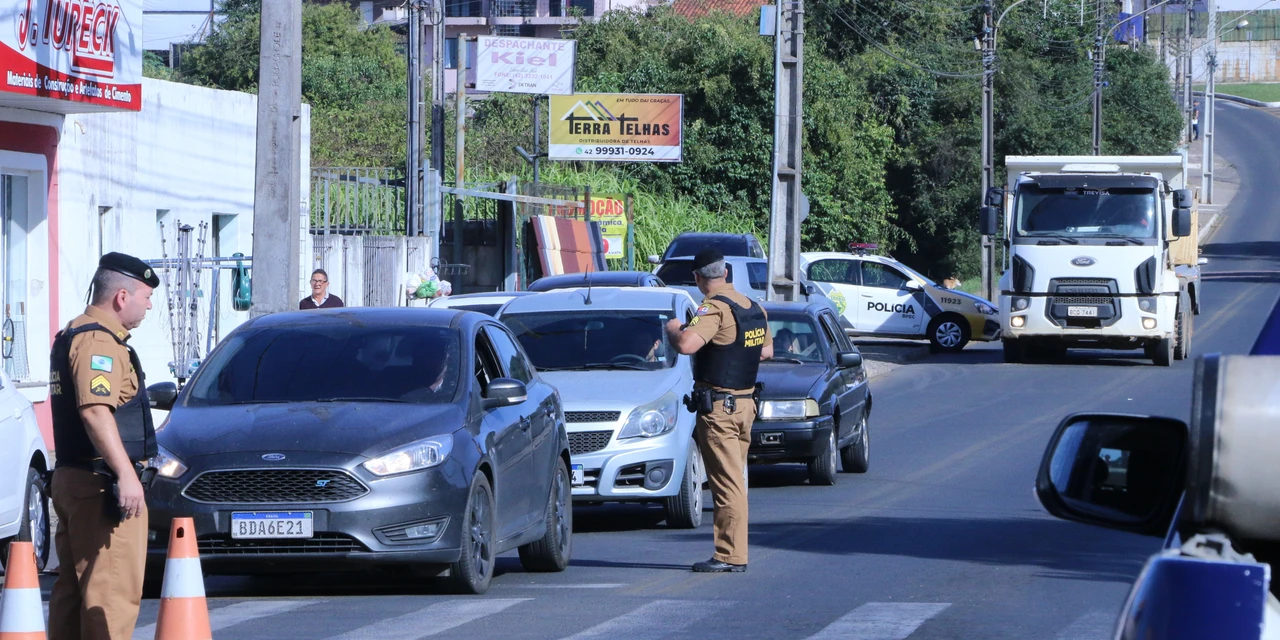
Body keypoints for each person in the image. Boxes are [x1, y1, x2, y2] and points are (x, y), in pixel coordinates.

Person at [48, 252, 159, 640]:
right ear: (121, 297)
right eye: (146, 297)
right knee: (109, 598)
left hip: (77, 479)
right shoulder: (99, 341)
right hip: (101, 487)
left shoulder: (74, 332)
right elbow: (95, 411)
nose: (149, 306)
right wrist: (127, 474)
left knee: (74, 596)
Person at [665, 248, 773, 573]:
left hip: (720, 409)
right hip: (745, 404)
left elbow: (687, 345)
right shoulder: (753, 307)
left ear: (698, 278)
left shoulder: (713, 308)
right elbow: (766, 351)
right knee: (735, 479)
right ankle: (734, 551)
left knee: (727, 484)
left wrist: (674, 328)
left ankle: (730, 555)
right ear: (725, 273)